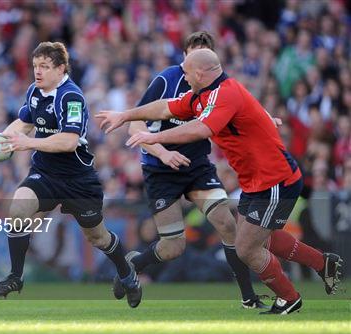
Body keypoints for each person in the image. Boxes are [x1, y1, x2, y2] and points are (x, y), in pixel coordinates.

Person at [96, 49, 342, 315]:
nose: (184, 76)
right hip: (256, 182)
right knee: (260, 239)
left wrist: (155, 139)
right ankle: (322, 264)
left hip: (274, 180)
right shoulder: (202, 95)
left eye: (187, 71)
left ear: (200, 73)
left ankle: (289, 298)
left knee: (246, 248)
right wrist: (126, 115)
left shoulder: (225, 94)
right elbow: (165, 107)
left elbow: (200, 129)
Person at [112, 31, 267, 309]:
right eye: (192, 54)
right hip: (161, 170)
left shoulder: (218, 87)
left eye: (203, 56)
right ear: (184, 57)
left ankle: (248, 297)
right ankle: (132, 263)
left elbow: (242, 110)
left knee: (227, 224)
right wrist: (163, 152)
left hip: (197, 166)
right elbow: (136, 124)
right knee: (173, 247)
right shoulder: (165, 79)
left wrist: (266, 120)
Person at [0, 42, 142, 308]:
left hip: (77, 179)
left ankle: (127, 273)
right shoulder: (34, 91)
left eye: (45, 67)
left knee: (98, 237)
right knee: (17, 210)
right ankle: (16, 276)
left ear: (61, 69)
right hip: (45, 173)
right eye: (35, 66)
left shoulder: (71, 96)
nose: (38, 72)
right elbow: (24, 123)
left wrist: (28, 144)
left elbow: (69, 141)